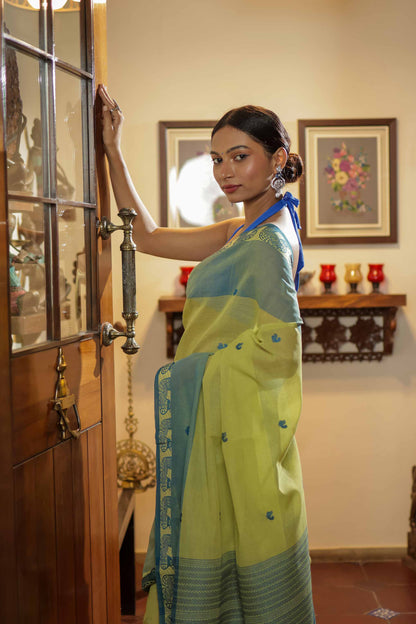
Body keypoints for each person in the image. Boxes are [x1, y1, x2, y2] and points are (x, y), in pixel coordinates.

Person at [99, 85, 315, 624]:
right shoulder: (247, 229)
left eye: (240, 156)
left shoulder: (267, 243)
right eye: (217, 159)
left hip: (230, 424)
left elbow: (278, 350)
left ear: (278, 159)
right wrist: (112, 150)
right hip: (225, 426)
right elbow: (147, 235)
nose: (225, 172)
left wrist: (190, 372)